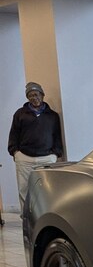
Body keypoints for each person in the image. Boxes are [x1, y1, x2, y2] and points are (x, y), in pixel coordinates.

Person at [8, 81, 63, 212]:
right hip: (24, 158)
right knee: (24, 189)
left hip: (47, 158)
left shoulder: (53, 116)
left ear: (42, 95)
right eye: (31, 95)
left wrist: (55, 154)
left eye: (36, 94)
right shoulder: (20, 114)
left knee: (48, 189)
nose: (34, 98)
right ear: (27, 98)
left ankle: (47, 215)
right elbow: (13, 135)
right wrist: (15, 152)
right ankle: (26, 217)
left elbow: (57, 136)